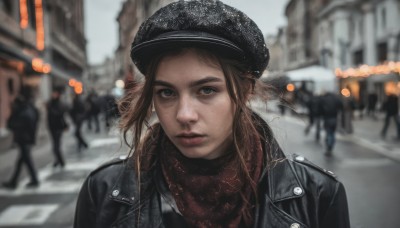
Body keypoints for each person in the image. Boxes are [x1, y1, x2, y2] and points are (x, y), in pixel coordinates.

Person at [74, 1, 350, 227]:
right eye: (166, 93)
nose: (184, 115)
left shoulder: (317, 194)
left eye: (206, 90)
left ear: (245, 91)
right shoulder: (103, 191)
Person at [2, 86, 40, 189]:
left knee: (25, 160)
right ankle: (15, 181)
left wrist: (14, 111)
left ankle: (32, 180)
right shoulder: (30, 108)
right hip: (25, 139)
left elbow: (13, 124)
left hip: (24, 139)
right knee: (22, 161)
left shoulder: (24, 110)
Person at [46, 88, 68, 168]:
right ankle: (58, 161)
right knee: (55, 146)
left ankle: (61, 162)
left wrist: (65, 125)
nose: (53, 94)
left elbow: (60, 115)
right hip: (52, 127)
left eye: (55, 93)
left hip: (58, 127)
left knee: (56, 147)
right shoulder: (51, 103)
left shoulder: (59, 104)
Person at [319, 91, 344, 156]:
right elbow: (341, 106)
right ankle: (330, 145)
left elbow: (320, 108)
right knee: (332, 133)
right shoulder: (336, 99)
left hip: (327, 118)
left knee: (328, 132)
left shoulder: (324, 99)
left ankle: (329, 145)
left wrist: (322, 114)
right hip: (334, 118)